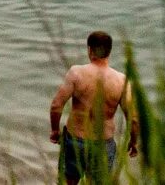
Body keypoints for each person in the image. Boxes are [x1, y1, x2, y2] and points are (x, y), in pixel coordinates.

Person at [49, 31, 138, 183]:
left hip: (75, 140)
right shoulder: (121, 81)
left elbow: (56, 106)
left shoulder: (76, 73)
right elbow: (134, 119)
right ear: (109, 51)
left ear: (89, 50)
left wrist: (55, 131)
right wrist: (133, 141)